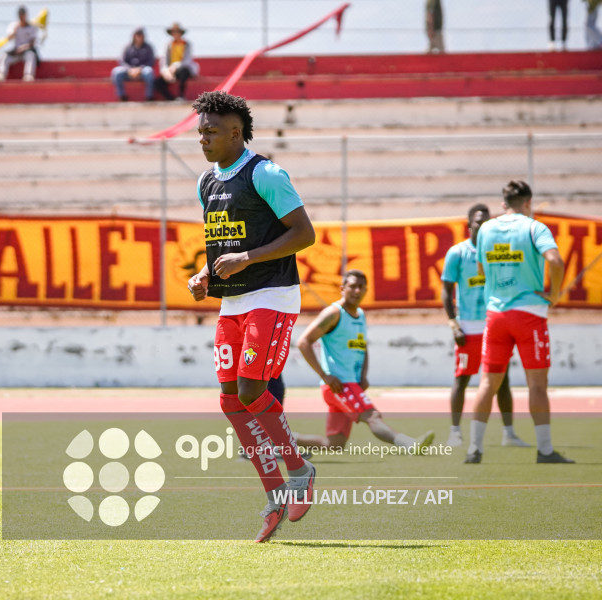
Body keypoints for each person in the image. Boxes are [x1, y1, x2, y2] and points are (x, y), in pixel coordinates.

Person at [187, 91, 317, 543]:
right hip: (232, 301)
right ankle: (275, 493)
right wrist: (204, 273)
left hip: (273, 295)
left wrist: (248, 257)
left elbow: (304, 234)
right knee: (229, 398)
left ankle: (300, 469)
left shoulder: (266, 173)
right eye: (200, 131)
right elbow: (222, 243)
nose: (203, 138)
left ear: (236, 132)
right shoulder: (207, 183)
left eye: (211, 131)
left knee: (251, 389)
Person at [465, 180, 573, 464]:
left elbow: (480, 268)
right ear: (528, 203)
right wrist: (555, 294)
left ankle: (474, 449)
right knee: (537, 385)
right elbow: (556, 261)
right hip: (529, 315)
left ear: (504, 204)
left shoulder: (486, 228)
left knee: (487, 382)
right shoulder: (534, 227)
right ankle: (546, 451)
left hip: (495, 315)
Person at [294, 270, 436, 454]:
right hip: (339, 384)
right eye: (352, 286)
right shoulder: (333, 313)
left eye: (361, 287)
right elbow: (303, 342)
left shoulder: (360, 314)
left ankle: (282, 440)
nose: (357, 291)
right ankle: (410, 444)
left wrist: (363, 375)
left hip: (351, 382)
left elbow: (362, 346)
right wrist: (324, 375)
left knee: (335, 444)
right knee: (373, 416)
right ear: (342, 288)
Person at [441, 204, 529, 448]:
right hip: (468, 327)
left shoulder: (496, 252)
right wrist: (453, 323)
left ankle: (509, 434)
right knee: (463, 379)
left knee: (503, 381)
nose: (484, 225)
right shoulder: (457, 253)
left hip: (495, 324)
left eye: (488, 221)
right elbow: (447, 291)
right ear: (469, 225)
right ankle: (455, 433)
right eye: (479, 222)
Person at [153, 22, 199, 101]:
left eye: (177, 32)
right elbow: (163, 61)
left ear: (181, 33)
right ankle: (171, 98)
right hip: (170, 71)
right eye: (174, 32)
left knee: (183, 72)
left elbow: (187, 61)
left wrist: (175, 66)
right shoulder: (168, 45)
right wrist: (166, 72)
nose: (176, 34)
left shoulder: (187, 44)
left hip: (183, 69)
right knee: (157, 82)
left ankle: (181, 95)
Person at [0, 6, 39, 82]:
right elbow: (9, 38)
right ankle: (0, 74)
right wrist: (15, 30)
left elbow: (32, 43)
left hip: (26, 51)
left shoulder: (32, 27)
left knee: (31, 55)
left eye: (23, 14)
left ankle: (28, 75)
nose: (21, 16)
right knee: (4, 56)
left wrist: (24, 48)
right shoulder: (13, 25)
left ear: (26, 15)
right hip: (16, 51)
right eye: (20, 14)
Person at [111, 28, 156, 102]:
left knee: (149, 71)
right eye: (137, 35)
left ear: (144, 36)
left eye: (141, 35)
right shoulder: (127, 47)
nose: (139, 37)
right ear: (134, 36)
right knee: (116, 72)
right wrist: (130, 69)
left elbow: (151, 61)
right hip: (129, 72)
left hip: (142, 72)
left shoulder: (148, 48)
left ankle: (149, 97)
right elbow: (122, 61)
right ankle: (122, 96)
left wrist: (140, 69)